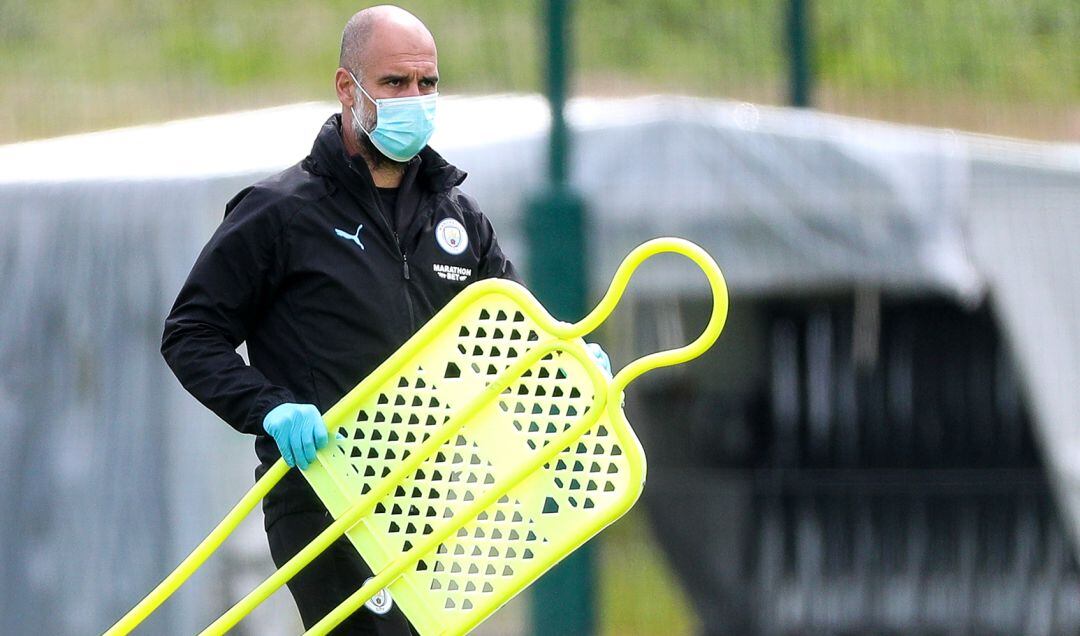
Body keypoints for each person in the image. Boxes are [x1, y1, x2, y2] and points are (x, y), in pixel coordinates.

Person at [161, 5, 610, 634]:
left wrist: (571, 367)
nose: (415, 99)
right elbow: (190, 334)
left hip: (430, 496)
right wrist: (267, 408)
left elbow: (511, 337)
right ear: (349, 89)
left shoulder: (458, 219)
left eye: (428, 84)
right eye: (396, 84)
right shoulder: (279, 213)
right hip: (325, 494)